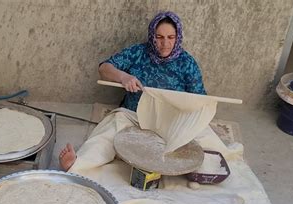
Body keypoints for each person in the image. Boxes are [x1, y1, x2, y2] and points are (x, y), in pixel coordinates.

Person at [60, 11, 206, 171]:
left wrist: (181, 104)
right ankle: (78, 163)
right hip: (134, 116)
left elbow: (200, 101)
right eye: (159, 37)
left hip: (170, 120)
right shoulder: (138, 53)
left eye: (171, 37)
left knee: (200, 138)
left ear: (178, 37)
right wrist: (123, 77)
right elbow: (104, 68)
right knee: (110, 130)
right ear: (152, 36)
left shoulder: (187, 63)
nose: (165, 43)